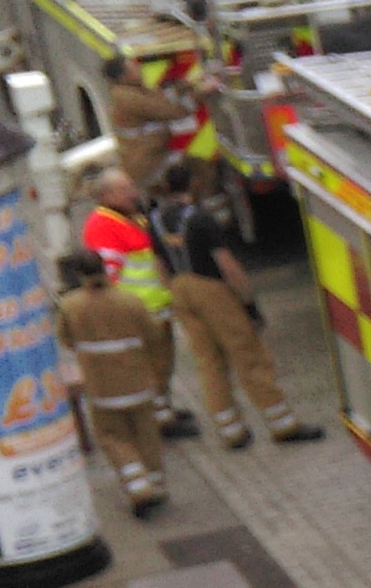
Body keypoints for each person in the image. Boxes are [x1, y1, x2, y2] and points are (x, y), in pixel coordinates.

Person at [150, 162, 312, 446]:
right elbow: (228, 265)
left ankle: (230, 430)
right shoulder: (201, 218)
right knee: (248, 356)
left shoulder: (155, 221)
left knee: (208, 362)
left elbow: (159, 264)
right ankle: (282, 424)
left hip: (179, 289)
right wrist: (249, 304)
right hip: (211, 289)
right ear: (193, 184)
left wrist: (172, 294)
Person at [78, 172, 194, 438]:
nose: (133, 192)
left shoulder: (125, 218)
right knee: (153, 366)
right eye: (125, 188)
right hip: (139, 314)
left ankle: (163, 410)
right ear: (107, 196)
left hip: (153, 309)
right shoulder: (104, 227)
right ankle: (160, 419)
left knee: (162, 363)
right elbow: (109, 276)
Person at [54, 249, 168, 515]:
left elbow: (65, 339)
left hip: (101, 387)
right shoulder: (129, 301)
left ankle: (137, 485)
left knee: (111, 436)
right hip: (137, 382)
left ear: (78, 274)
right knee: (146, 434)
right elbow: (152, 334)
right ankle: (156, 485)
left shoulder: (71, 305)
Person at [102, 56, 188, 190]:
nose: (139, 70)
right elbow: (169, 111)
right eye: (134, 69)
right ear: (123, 77)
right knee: (196, 167)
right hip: (149, 163)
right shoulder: (128, 98)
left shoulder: (128, 90)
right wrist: (200, 94)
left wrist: (188, 84)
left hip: (147, 158)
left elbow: (160, 96)